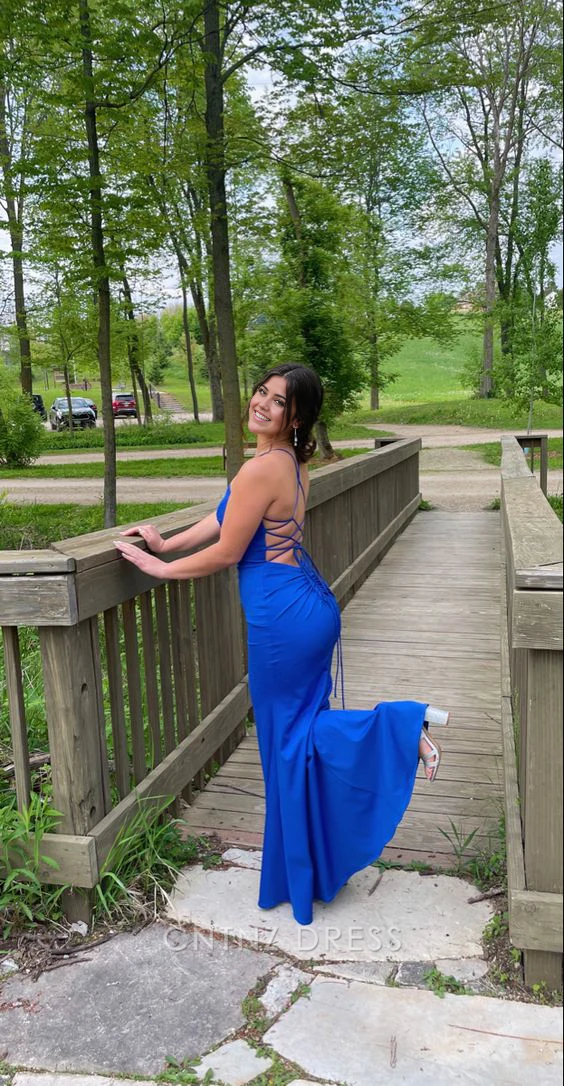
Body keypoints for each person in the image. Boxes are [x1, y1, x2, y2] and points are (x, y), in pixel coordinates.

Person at [115, 363, 449, 926]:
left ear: (296, 418)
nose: (261, 404)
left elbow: (227, 551)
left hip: (282, 620)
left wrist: (158, 568)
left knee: (287, 744)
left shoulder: (261, 468)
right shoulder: (289, 463)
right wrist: (166, 542)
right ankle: (303, 870)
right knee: (295, 738)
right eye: (260, 392)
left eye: (278, 401)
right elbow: (225, 517)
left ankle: (400, 727)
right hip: (307, 605)